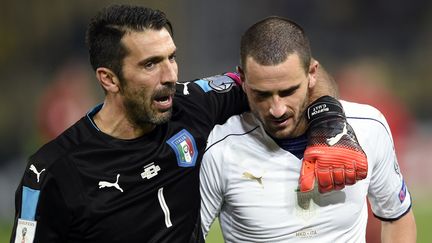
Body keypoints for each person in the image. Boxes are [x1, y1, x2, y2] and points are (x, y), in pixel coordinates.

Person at [11, 5, 365, 243]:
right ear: (109, 78)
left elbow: (299, 78)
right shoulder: (50, 173)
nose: (169, 75)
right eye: (150, 64)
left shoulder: (192, 104)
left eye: (172, 57)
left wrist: (329, 124)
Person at [200, 16, 416, 242]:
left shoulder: (368, 127)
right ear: (242, 79)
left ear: (312, 73)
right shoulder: (219, 149)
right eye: (262, 94)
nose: (277, 109)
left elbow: (396, 216)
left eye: (288, 91)